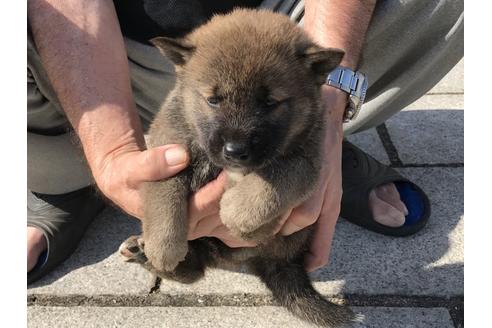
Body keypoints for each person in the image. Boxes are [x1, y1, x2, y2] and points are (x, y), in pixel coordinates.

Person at [27, 0, 464, 283]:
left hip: (294, 27)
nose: (235, 141)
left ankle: (302, 141)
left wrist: (326, 113)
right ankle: (68, 169)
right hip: (105, 47)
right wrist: (111, 150)